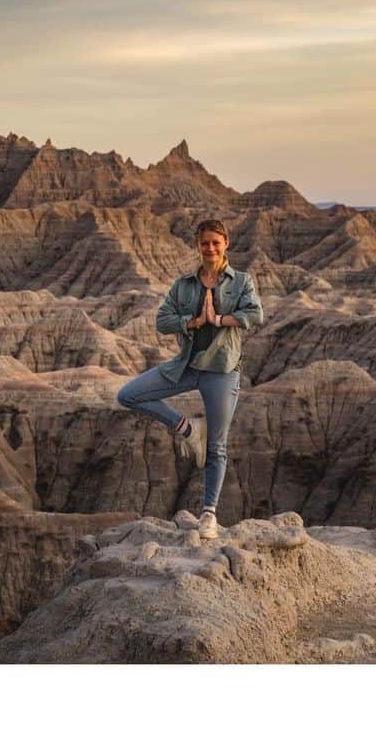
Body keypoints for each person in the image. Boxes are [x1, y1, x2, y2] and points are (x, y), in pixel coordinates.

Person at [116, 218, 263, 540]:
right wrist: (194, 321)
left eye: (216, 242)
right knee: (128, 395)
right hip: (186, 365)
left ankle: (208, 514)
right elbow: (163, 321)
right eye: (204, 243)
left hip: (222, 370)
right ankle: (187, 428)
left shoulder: (241, 282)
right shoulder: (184, 285)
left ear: (226, 243)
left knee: (217, 447)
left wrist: (220, 319)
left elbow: (255, 315)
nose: (210, 248)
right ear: (198, 246)